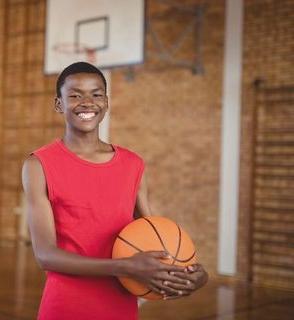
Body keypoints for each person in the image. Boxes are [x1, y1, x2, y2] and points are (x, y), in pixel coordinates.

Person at [21, 62, 208, 320]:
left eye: (96, 94)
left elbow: (155, 239)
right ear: (58, 104)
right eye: (75, 95)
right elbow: (45, 255)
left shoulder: (133, 165)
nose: (87, 102)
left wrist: (190, 274)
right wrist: (125, 267)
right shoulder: (39, 165)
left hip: (121, 307)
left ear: (106, 103)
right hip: (65, 306)